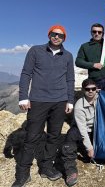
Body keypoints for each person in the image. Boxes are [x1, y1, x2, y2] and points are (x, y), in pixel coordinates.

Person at [13, 25, 75, 187]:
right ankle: (23, 174)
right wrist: (23, 97)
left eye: (60, 35)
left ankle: (46, 167)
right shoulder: (35, 50)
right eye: (54, 34)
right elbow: (26, 73)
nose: (56, 37)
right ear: (49, 35)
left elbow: (70, 79)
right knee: (32, 137)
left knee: (54, 136)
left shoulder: (68, 56)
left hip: (60, 101)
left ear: (64, 38)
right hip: (38, 101)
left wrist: (70, 100)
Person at [61, 79, 98, 186]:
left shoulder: (101, 100)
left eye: (93, 89)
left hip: (96, 130)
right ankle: (71, 171)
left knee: (89, 157)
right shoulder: (79, 105)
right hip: (82, 130)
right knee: (71, 136)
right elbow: (82, 129)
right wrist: (89, 147)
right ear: (83, 90)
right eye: (87, 89)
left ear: (96, 90)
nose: (90, 91)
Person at [76, 23, 105, 91]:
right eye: (94, 31)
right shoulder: (85, 46)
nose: (97, 34)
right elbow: (78, 62)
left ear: (103, 33)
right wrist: (93, 65)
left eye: (99, 32)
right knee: (96, 101)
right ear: (91, 33)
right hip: (94, 81)